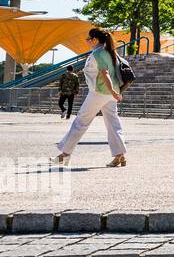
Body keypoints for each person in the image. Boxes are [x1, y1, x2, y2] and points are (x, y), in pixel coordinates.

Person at [53, 27, 127, 167]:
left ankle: (64, 155)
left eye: (88, 39)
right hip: (110, 94)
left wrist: (111, 91)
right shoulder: (111, 52)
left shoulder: (98, 54)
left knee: (81, 121)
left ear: (95, 40)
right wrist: (114, 92)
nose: (87, 41)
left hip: (99, 92)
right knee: (113, 123)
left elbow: (104, 74)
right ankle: (120, 155)